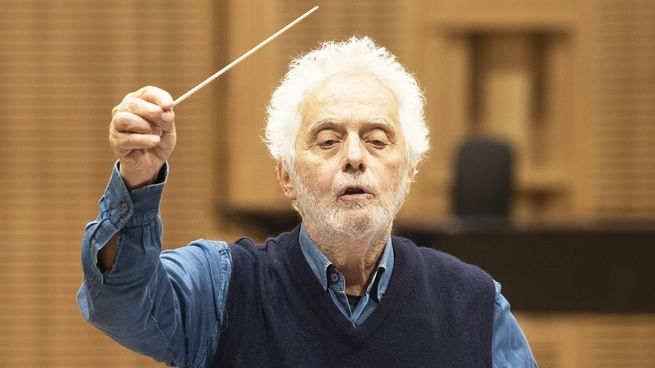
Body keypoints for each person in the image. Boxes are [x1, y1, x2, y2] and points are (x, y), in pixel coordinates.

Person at [77, 37, 537, 367]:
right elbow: (121, 306)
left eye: (377, 140)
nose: (354, 157)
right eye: (328, 140)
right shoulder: (223, 287)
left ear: (409, 172)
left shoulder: (474, 304)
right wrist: (139, 179)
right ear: (287, 177)